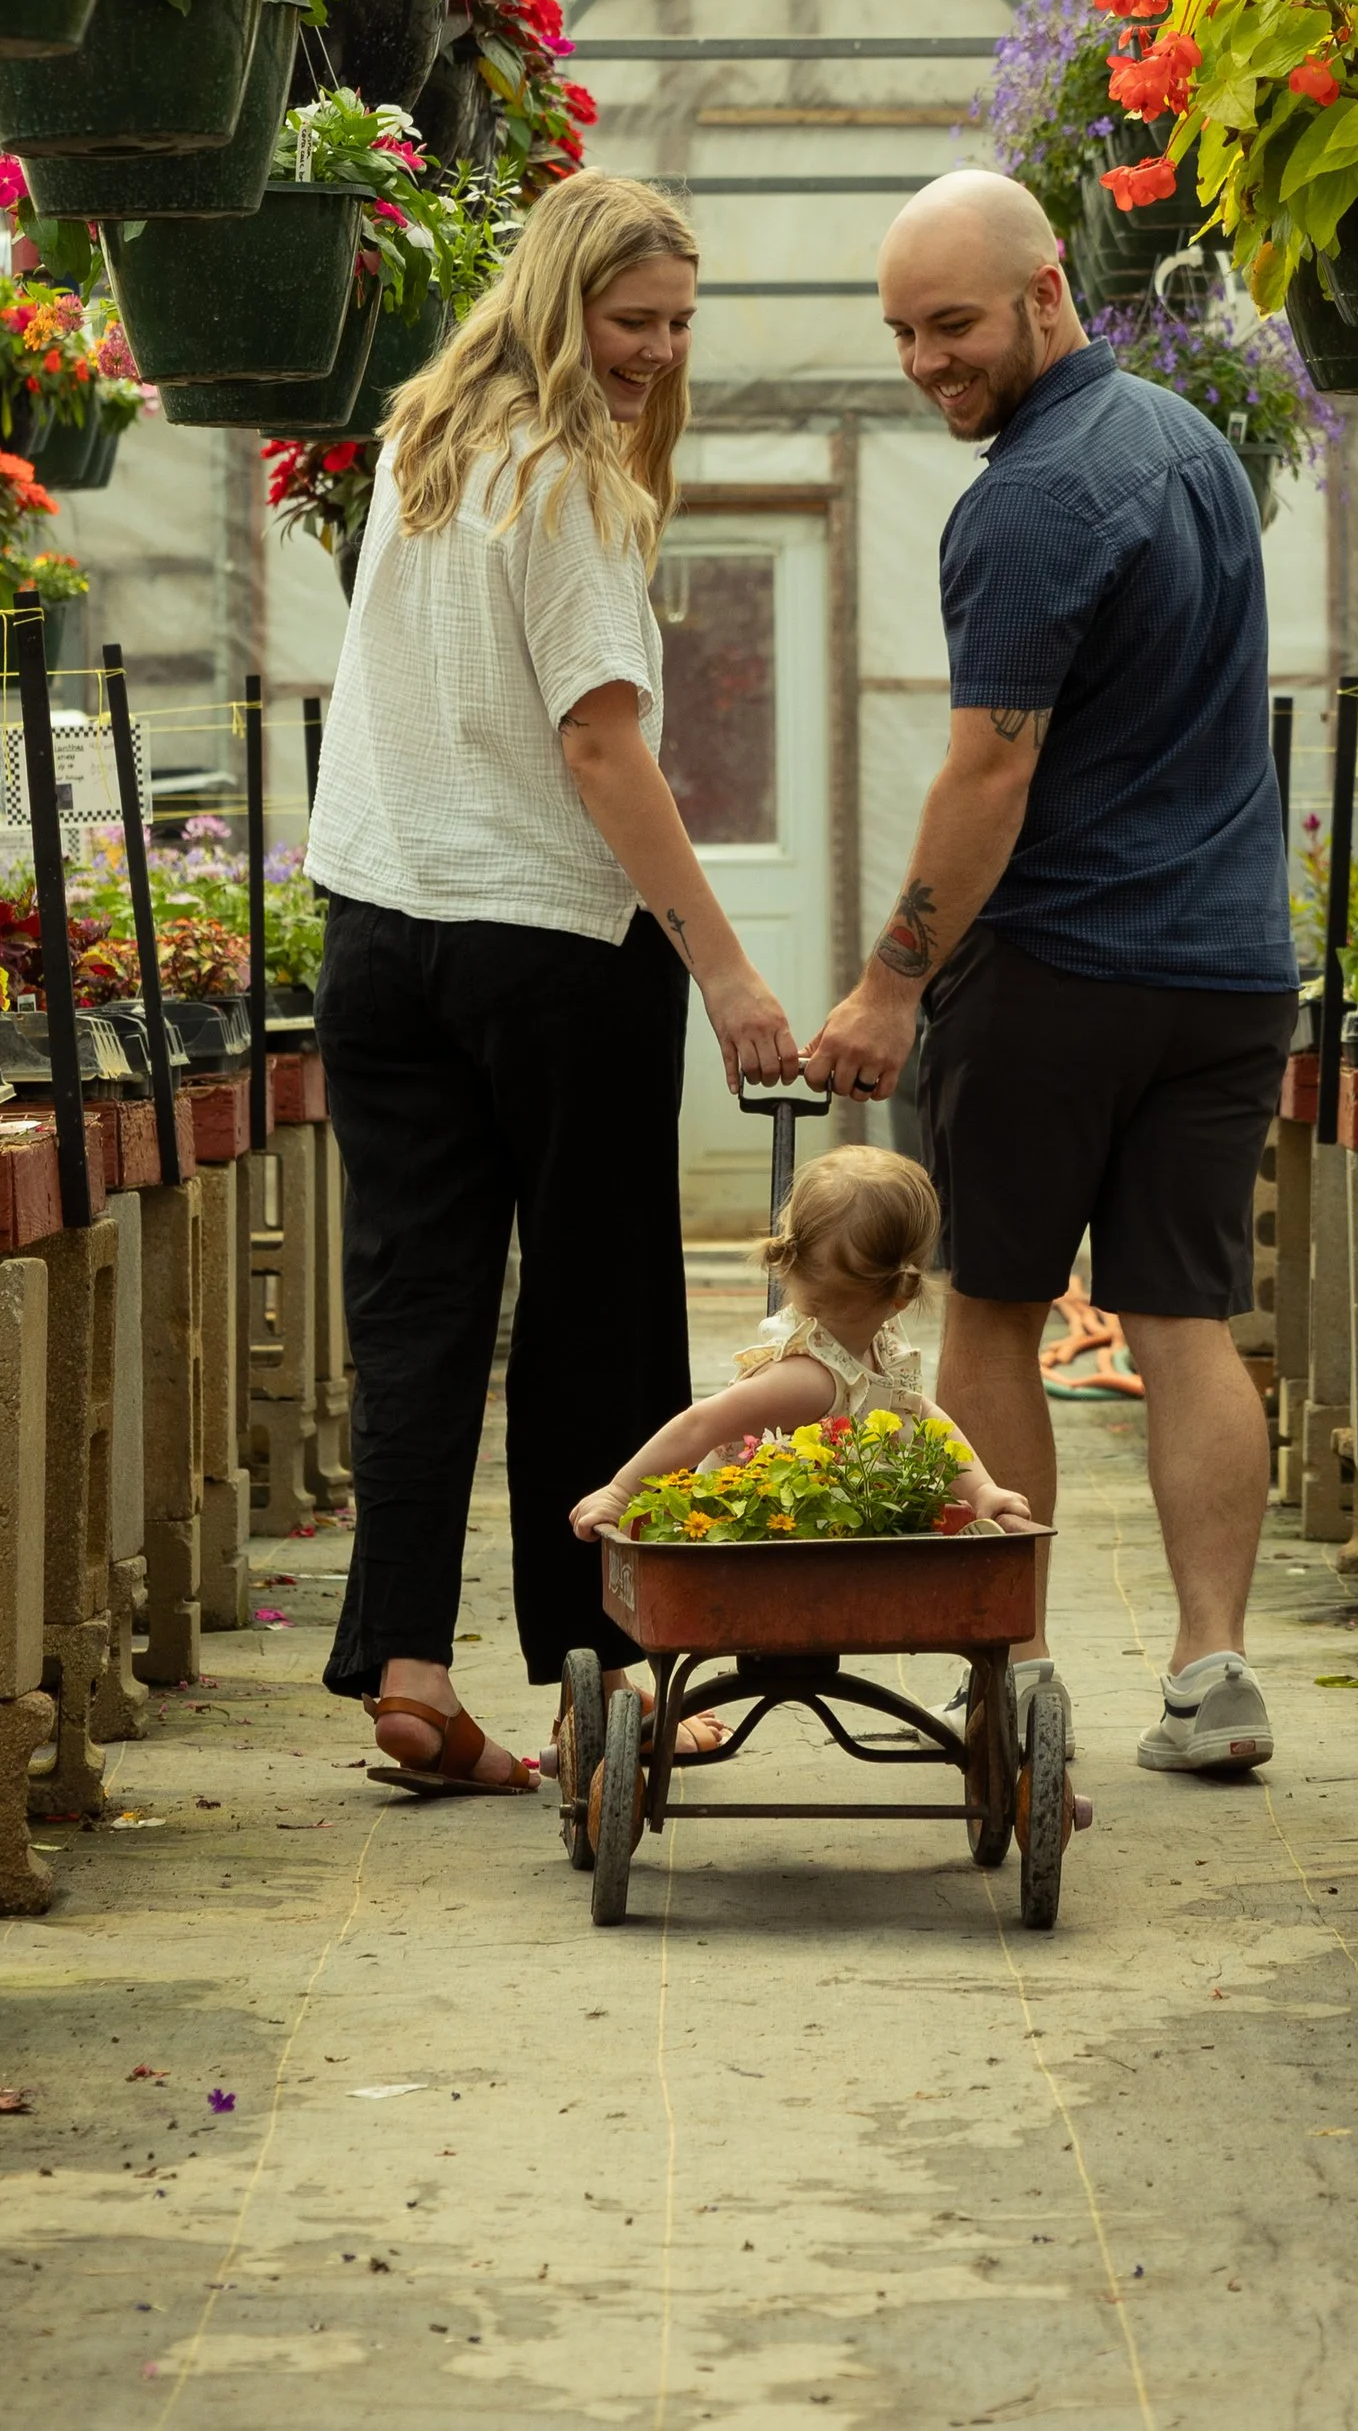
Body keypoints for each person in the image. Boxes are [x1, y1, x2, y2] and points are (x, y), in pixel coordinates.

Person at [305, 169, 800, 1797]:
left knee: (420, 1301)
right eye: (630, 317)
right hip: (550, 942)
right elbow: (601, 743)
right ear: (555, 295)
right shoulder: (572, 474)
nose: (655, 351)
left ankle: (409, 1667)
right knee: (595, 1306)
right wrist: (724, 969)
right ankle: (618, 1678)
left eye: (675, 324)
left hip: (382, 926)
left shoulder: (420, 451)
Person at [800, 170, 1297, 1776]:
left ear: (1048, 289)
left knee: (997, 1311)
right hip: (1227, 966)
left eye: (953, 323)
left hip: (1065, 969)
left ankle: (1001, 1666)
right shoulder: (1192, 445)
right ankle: (1213, 1668)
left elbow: (988, 775)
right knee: (1184, 1315)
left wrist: (889, 983)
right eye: (902, 332)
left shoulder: (1026, 498)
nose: (929, 360)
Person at [569, 1148, 1036, 1540]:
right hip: (754, 1537)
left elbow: (923, 1417)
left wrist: (981, 1491)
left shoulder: (882, 1348)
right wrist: (618, 1492)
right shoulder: (806, 1379)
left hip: (819, 1535)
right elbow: (701, 1424)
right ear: (903, 1292)